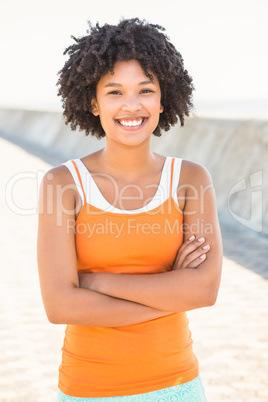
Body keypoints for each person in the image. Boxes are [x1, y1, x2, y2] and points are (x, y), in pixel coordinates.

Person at [37, 18, 222, 402]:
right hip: (87, 389)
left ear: (162, 98)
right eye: (115, 91)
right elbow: (59, 305)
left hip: (177, 387)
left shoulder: (191, 180)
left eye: (145, 90)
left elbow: (204, 290)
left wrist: (97, 283)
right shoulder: (62, 184)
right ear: (93, 101)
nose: (132, 105)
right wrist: (171, 289)